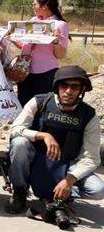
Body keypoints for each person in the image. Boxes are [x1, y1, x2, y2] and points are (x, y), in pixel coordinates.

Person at [6, 65, 102, 214]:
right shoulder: (39, 102)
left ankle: (62, 192)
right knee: (19, 143)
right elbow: (15, 129)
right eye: (64, 85)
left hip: (67, 164)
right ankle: (20, 190)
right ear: (57, 87)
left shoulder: (88, 116)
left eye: (75, 87)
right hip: (35, 158)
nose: (68, 91)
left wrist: (70, 180)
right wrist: (44, 135)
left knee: (98, 190)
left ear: (82, 90)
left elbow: (92, 158)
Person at [12, 0, 70, 106]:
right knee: (24, 106)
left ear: (45, 6)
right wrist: (11, 38)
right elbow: (24, 46)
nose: (32, 7)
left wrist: (56, 41)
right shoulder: (33, 21)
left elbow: (61, 55)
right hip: (25, 71)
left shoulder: (59, 25)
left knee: (42, 106)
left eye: (35, 4)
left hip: (46, 73)